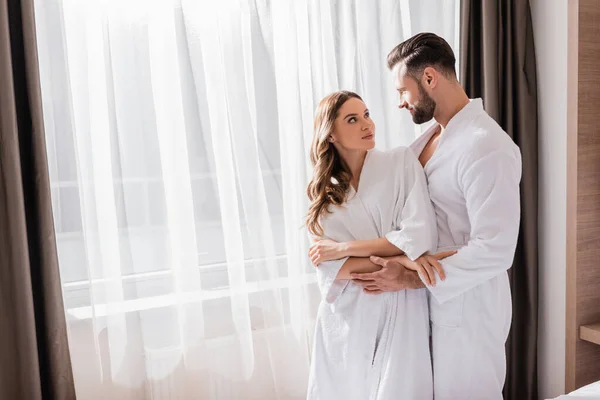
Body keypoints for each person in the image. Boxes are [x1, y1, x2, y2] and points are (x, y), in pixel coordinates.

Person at [349, 33, 522, 399]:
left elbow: (497, 247)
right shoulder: (430, 139)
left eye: (402, 91)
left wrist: (414, 279)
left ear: (429, 78)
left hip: (469, 313)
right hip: (426, 307)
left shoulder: (487, 146)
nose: (399, 103)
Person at [305, 90, 452, 400]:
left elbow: (418, 236)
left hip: (401, 308)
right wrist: (405, 261)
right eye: (352, 119)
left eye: (367, 114)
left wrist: (346, 248)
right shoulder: (322, 196)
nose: (366, 124)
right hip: (347, 316)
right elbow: (333, 270)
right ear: (330, 134)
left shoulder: (400, 162)